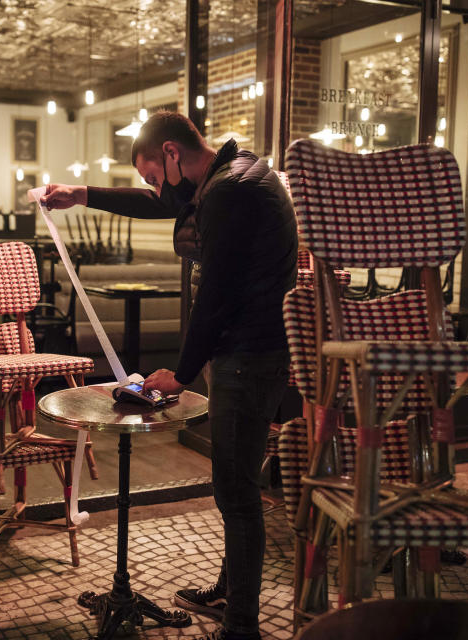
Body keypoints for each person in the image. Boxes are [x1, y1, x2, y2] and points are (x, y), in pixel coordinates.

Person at [42, 111, 297, 640]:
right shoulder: (237, 174)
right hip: (259, 352)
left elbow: (217, 297)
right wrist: (81, 194)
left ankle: (242, 626)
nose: (156, 190)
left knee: (237, 491)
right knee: (236, 484)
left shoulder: (229, 193)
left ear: (174, 154)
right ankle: (232, 590)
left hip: (250, 357)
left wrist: (180, 374)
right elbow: (162, 203)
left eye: (155, 175)